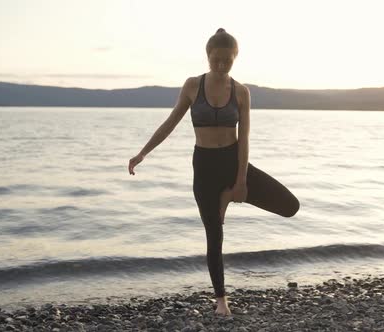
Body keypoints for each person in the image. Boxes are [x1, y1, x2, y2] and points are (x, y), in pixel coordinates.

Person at [128, 28, 300, 316]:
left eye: (227, 61)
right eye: (216, 60)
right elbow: (171, 122)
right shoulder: (193, 86)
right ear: (208, 56)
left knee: (290, 206)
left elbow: (244, 139)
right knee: (214, 236)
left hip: (233, 162)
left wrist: (241, 182)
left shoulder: (241, 92)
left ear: (235, 57)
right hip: (205, 167)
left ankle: (229, 195)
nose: (221, 66)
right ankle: (221, 301)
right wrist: (143, 152)